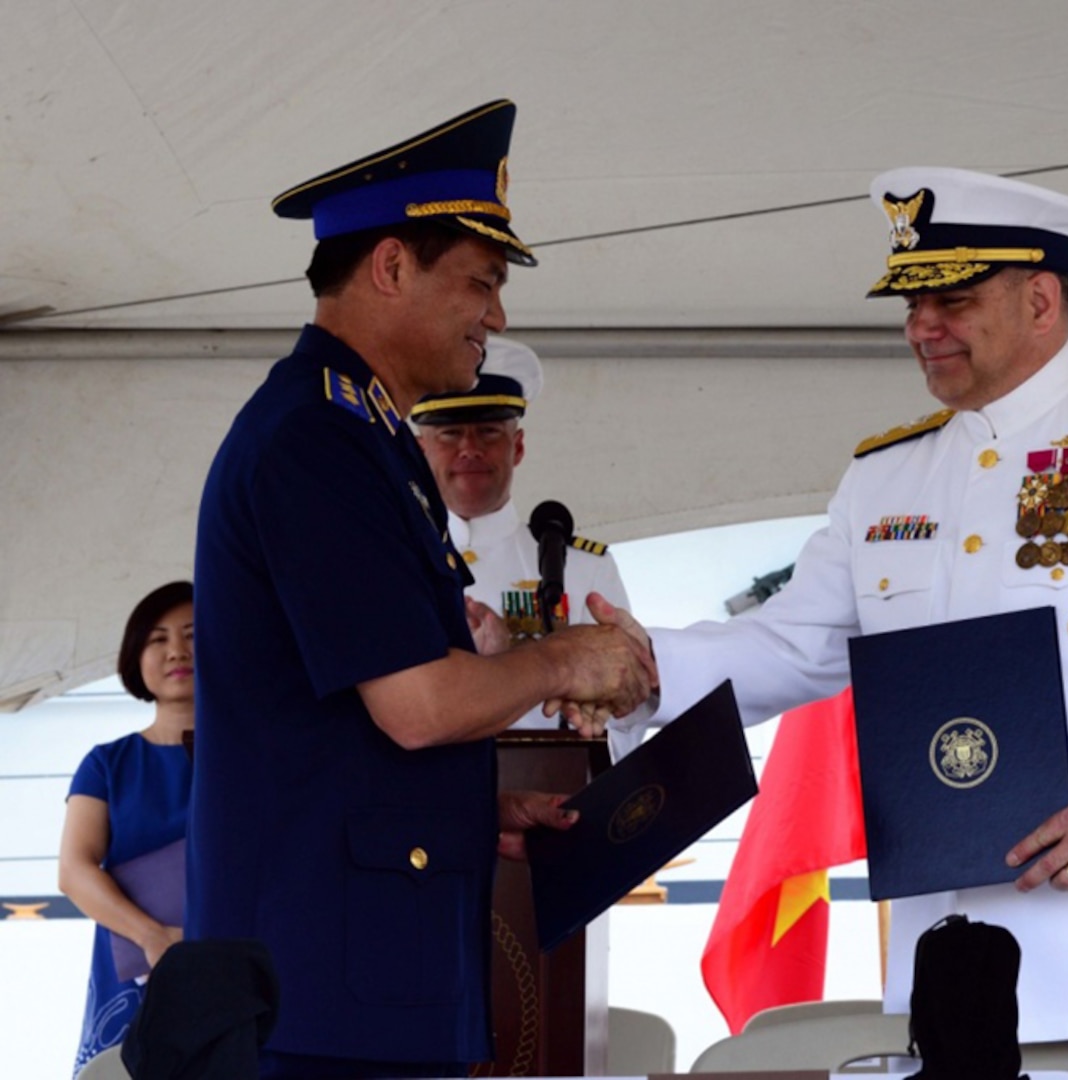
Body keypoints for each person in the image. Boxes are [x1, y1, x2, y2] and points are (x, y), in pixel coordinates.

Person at [589, 167, 1068, 1080]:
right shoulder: (887, 477)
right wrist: (630, 665)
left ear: (1041, 300)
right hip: (950, 953)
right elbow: (797, 644)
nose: (920, 327)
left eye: (953, 298)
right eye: (910, 302)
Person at [187, 99, 655, 1079]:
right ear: (391, 267)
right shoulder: (315, 442)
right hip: (321, 994)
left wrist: (468, 803)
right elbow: (420, 706)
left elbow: (346, 729)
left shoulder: (367, 437)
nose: (498, 313)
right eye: (480, 281)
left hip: (355, 976)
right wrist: (571, 654)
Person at [412, 336, 647, 759]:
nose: (470, 449)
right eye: (449, 434)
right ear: (418, 450)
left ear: (517, 447)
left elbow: (622, 710)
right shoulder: (392, 561)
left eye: (488, 432)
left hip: (548, 798)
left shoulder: (579, 567)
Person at [59, 581, 196, 1076]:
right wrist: (154, 936)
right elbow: (74, 870)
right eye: (157, 639)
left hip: (234, 959)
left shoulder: (252, 760)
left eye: (193, 634)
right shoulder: (106, 764)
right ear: (136, 658)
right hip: (136, 968)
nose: (177, 650)